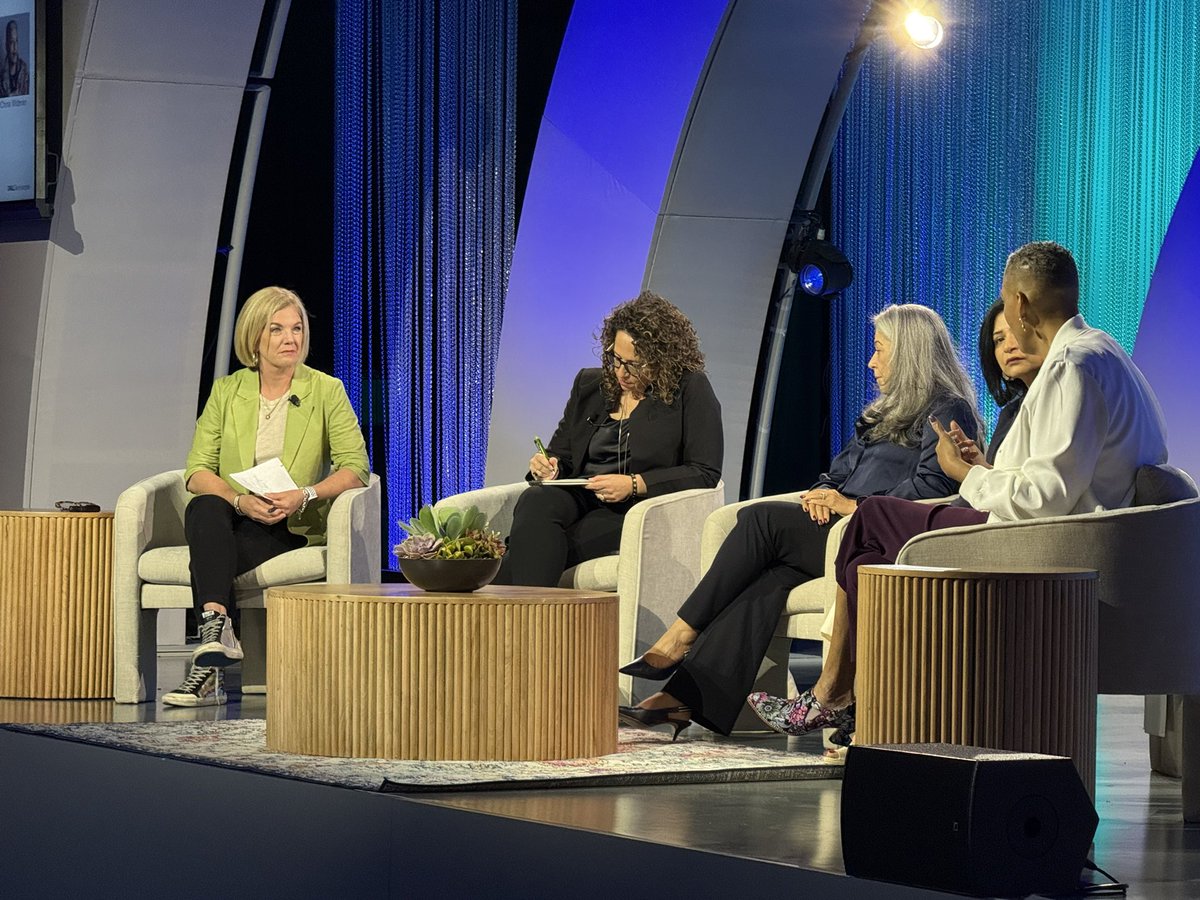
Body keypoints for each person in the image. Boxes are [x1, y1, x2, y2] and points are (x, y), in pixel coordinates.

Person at [748, 241, 1169, 737]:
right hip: (1064, 538)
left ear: (1020, 304)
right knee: (865, 559)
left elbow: (1046, 498)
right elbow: (1061, 475)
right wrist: (985, 465)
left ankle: (831, 695)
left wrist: (966, 474)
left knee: (871, 518)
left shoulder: (1070, 366)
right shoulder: (1107, 352)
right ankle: (861, 707)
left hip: (1041, 548)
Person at [618, 303, 983, 739]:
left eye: (880, 351)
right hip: (835, 529)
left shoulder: (948, 408)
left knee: (759, 520)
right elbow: (837, 472)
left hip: (874, 535)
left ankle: (679, 636)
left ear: (909, 353)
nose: (871, 362)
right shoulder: (881, 414)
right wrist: (819, 494)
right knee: (765, 582)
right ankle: (684, 700)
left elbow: (934, 489)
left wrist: (853, 506)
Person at [162, 287, 370, 707]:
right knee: (206, 507)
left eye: (296, 329)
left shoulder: (326, 390)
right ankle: (217, 638)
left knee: (207, 553)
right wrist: (239, 501)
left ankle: (208, 668)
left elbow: (356, 468)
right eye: (276, 329)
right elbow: (197, 471)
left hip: (290, 523)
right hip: (236, 514)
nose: (289, 339)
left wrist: (304, 494)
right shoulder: (228, 390)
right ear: (254, 336)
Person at [492, 291, 722, 587]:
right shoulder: (590, 384)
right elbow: (563, 453)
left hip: (636, 508)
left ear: (662, 359)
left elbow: (705, 471)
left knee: (532, 550)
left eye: (634, 364)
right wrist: (550, 466)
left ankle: (513, 615)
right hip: (581, 495)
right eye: (616, 358)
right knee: (536, 499)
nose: (621, 373)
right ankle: (534, 625)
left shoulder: (690, 389)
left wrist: (634, 484)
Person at [2, 19, 29, 98]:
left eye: (16, 41)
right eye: (11, 42)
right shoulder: (1, 75)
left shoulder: (24, 70)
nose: (15, 48)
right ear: (6, 45)